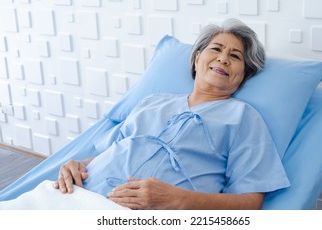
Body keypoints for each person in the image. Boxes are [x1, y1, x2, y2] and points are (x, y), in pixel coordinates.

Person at [54, 18, 290, 210]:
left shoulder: (243, 119)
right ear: (197, 58)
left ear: (245, 74)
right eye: (216, 49)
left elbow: (250, 201)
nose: (223, 58)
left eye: (235, 56)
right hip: (76, 195)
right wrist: (76, 165)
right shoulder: (152, 102)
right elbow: (114, 150)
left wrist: (178, 199)